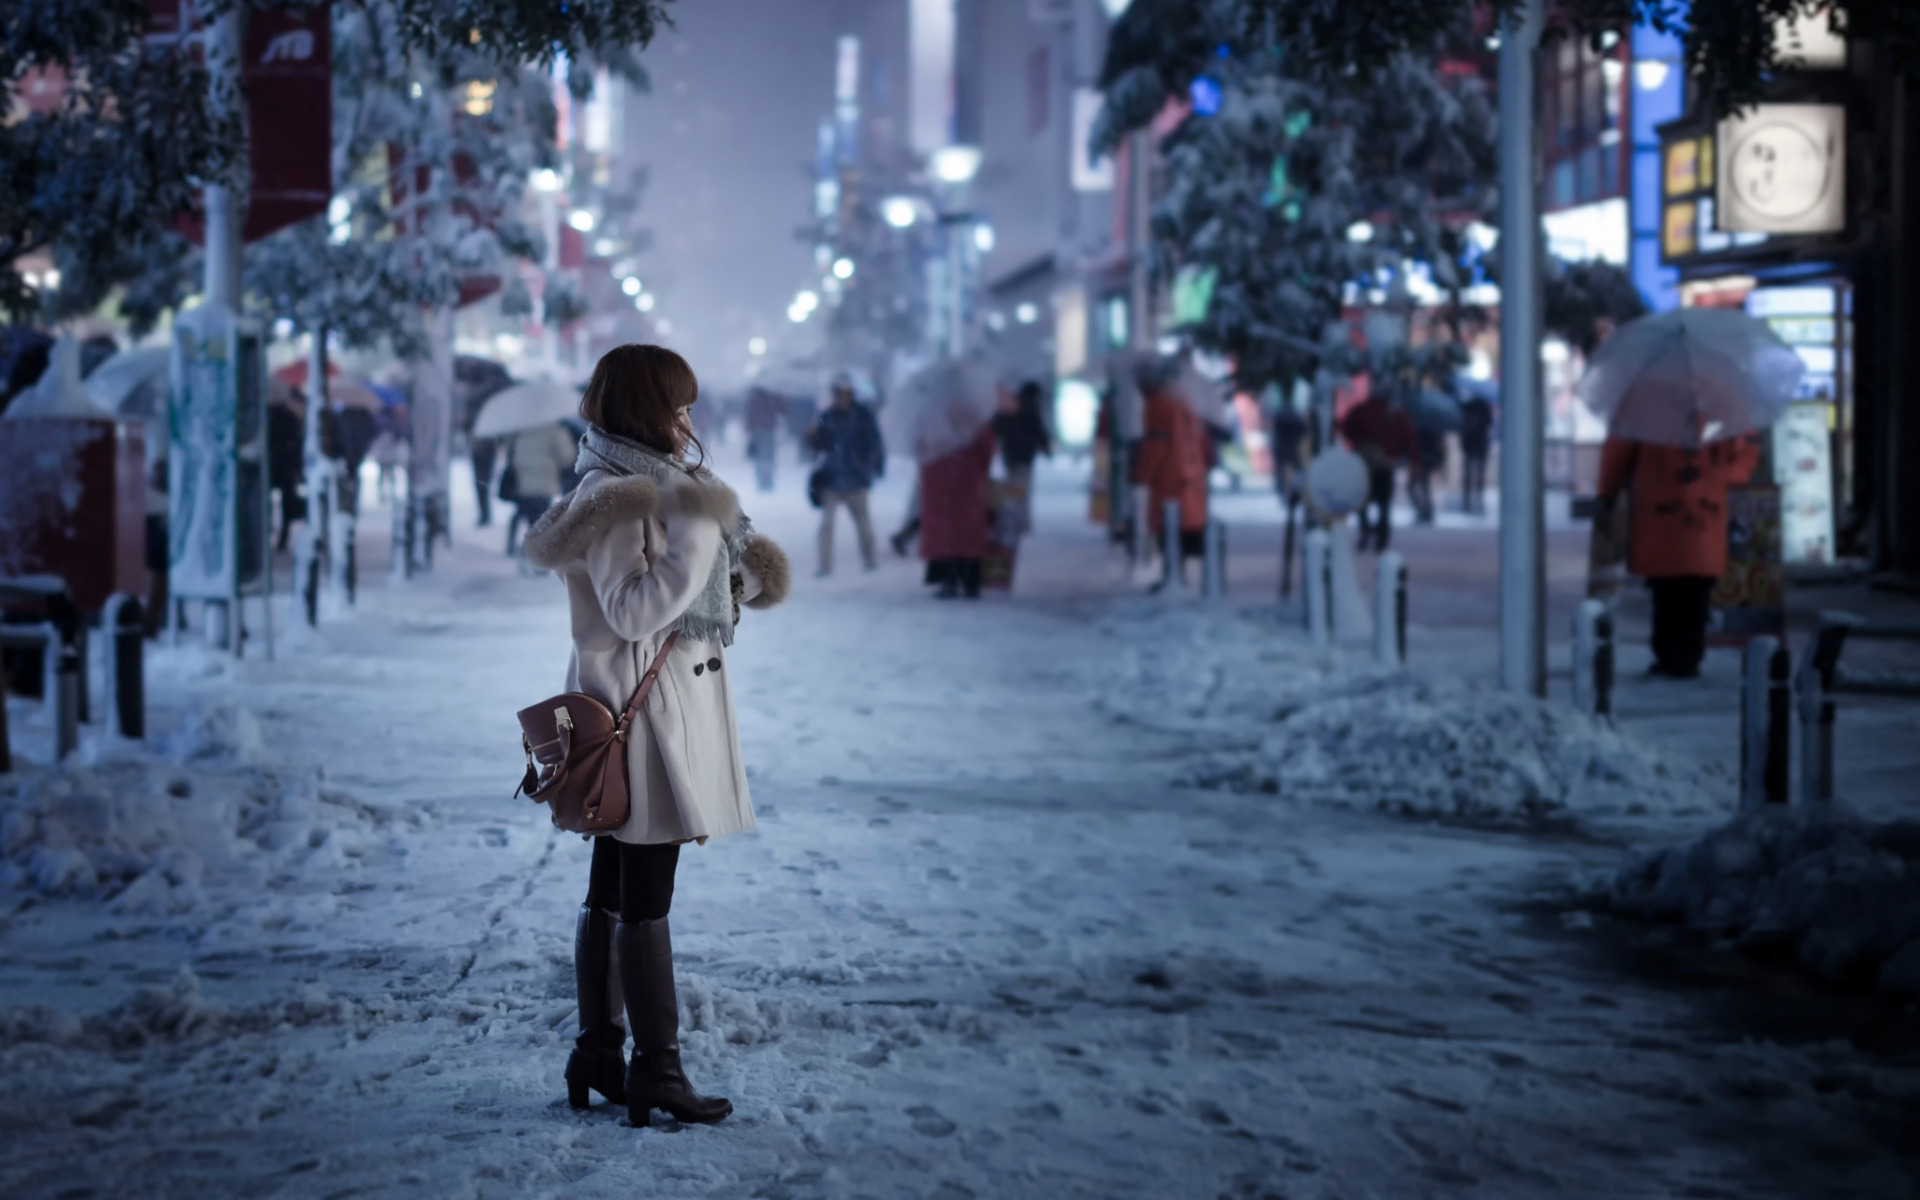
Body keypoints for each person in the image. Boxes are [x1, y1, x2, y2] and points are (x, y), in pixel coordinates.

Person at [522, 343, 792, 1128]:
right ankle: (655, 1069)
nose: (686, 420)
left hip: (655, 713)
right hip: (646, 730)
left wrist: (726, 570)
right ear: (645, 409)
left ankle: (601, 1051)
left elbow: (691, 592)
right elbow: (634, 612)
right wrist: (700, 536)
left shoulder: (658, 487)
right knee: (644, 896)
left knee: (615, 887)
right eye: (675, 406)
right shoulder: (619, 497)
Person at [1596, 433, 1759, 679]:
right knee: (1695, 590)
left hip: (1658, 512)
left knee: (1665, 590)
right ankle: (1688, 656)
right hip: (1706, 514)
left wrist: (1607, 492)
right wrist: (1721, 479)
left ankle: (1667, 656)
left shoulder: (1643, 404)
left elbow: (1618, 449)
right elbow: (1745, 453)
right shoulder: (1723, 403)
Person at [1133, 369, 1211, 588]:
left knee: (1168, 530)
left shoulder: (1157, 405)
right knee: (1182, 529)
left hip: (1168, 478)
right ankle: (1177, 576)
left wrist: (1141, 474)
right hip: (1190, 475)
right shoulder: (1182, 402)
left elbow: (1155, 445)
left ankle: (1172, 578)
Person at [807, 376, 886, 575]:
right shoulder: (827, 416)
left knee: (863, 523)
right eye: (837, 394)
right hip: (832, 479)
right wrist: (812, 436)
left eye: (844, 394)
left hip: (857, 478)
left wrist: (872, 466)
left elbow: (874, 442)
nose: (841, 398)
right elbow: (818, 446)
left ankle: (870, 558)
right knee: (827, 526)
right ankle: (825, 565)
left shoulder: (862, 416)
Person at [920, 422, 996, 599]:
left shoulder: (933, 423)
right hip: (967, 484)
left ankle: (949, 580)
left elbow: (923, 451)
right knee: (968, 535)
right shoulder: (975, 422)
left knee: (945, 536)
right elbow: (987, 449)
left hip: (940, 486)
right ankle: (971, 581)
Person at [1339, 390, 1414, 552]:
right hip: (1385, 464)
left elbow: (1346, 430)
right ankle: (1382, 538)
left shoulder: (1359, 410)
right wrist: (1411, 459)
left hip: (1363, 464)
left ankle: (1365, 532)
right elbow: (1408, 438)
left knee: (1362, 502)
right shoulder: (1395, 414)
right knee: (1384, 505)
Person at [504, 420, 579, 557]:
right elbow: (567, 457)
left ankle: (518, 547)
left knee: (524, 513)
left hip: (523, 482)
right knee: (541, 520)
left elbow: (510, 453)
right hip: (544, 483)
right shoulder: (556, 430)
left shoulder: (521, 428)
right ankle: (538, 554)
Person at [992, 380, 1053, 522]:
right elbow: (1037, 428)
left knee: (1013, 485)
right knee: (1022, 486)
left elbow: (999, 426)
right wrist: (1045, 448)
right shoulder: (1030, 406)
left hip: (1011, 452)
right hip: (1025, 453)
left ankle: (1013, 516)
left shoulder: (1011, 405)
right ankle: (1021, 518)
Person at [1459, 391, 1494, 515]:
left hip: (1472, 442)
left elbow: (1461, 423)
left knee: (1470, 473)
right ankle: (1476, 498)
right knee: (1477, 472)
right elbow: (1490, 423)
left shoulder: (1467, 407)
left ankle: (1468, 500)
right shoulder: (1482, 408)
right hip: (1479, 442)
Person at [744, 387, 784, 492]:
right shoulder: (772, 398)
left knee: (759, 458)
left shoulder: (754, 399)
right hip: (769, 430)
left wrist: (749, 428)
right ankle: (768, 481)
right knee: (769, 458)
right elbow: (781, 410)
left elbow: (749, 415)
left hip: (758, 431)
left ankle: (762, 481)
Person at [470, 437, 498, 527]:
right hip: (481, 452)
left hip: (484, 452)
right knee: (481, 486)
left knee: (482, 486)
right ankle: (484, 514)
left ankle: (485, 515)